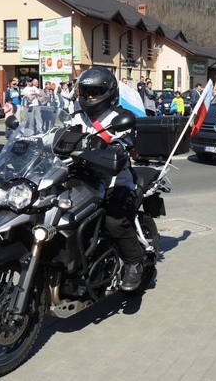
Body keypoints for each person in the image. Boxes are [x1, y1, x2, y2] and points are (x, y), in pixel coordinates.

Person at [69, 66, 143, 291]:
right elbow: (52, 134)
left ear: (109, 92)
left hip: (116, 183)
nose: (90, 97)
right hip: (82, 180)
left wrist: (116, 147)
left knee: (113, 221)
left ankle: (134, 263)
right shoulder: (76, 115)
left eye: (96, 91)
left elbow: (126, 141)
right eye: (86, 92)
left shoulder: (121, 118)